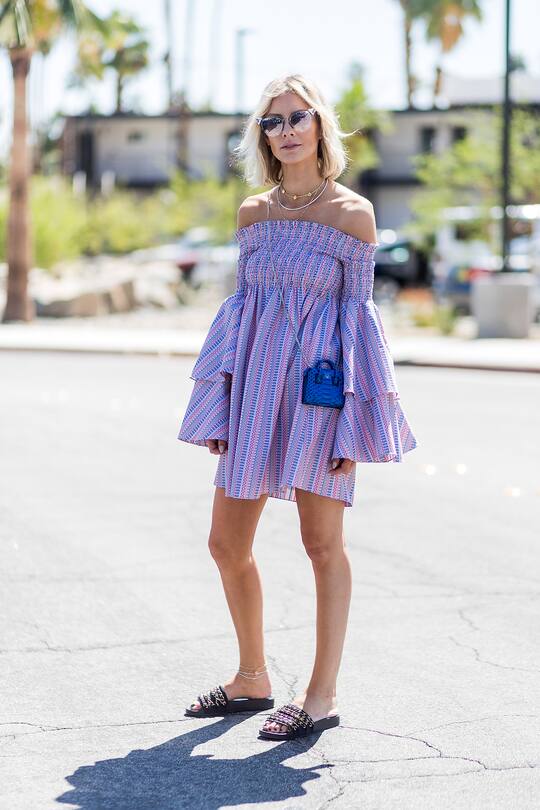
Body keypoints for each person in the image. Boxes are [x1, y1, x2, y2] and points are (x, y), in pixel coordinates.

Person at [177, 74, 418, 741]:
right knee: (226, 543)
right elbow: (240, 317)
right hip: (255, 392)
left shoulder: (352, 214)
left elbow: (359, 324)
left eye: (296, 118)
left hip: (320, 399)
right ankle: (252, 676)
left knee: (321, 544)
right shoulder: (253, 213)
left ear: (320, 127)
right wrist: (220, 406)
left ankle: (321, 693)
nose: (284, 130)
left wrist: (355, 418)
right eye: (271, 122)